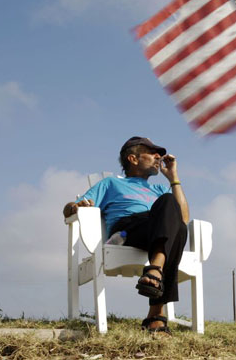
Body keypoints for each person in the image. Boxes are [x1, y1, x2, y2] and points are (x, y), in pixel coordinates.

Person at [63, 136, 189, 335]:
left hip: (157, 229)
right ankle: (156, 313)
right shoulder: (110, 183)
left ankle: (154, 271)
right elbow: (71, 208)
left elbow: (183, 219)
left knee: (177, 222)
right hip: (127, 230)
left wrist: (173, 178)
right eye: (152, 153)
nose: (159, 157)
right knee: (172, 216)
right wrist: (74, 206)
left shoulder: (159, 189)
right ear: (133, 159)